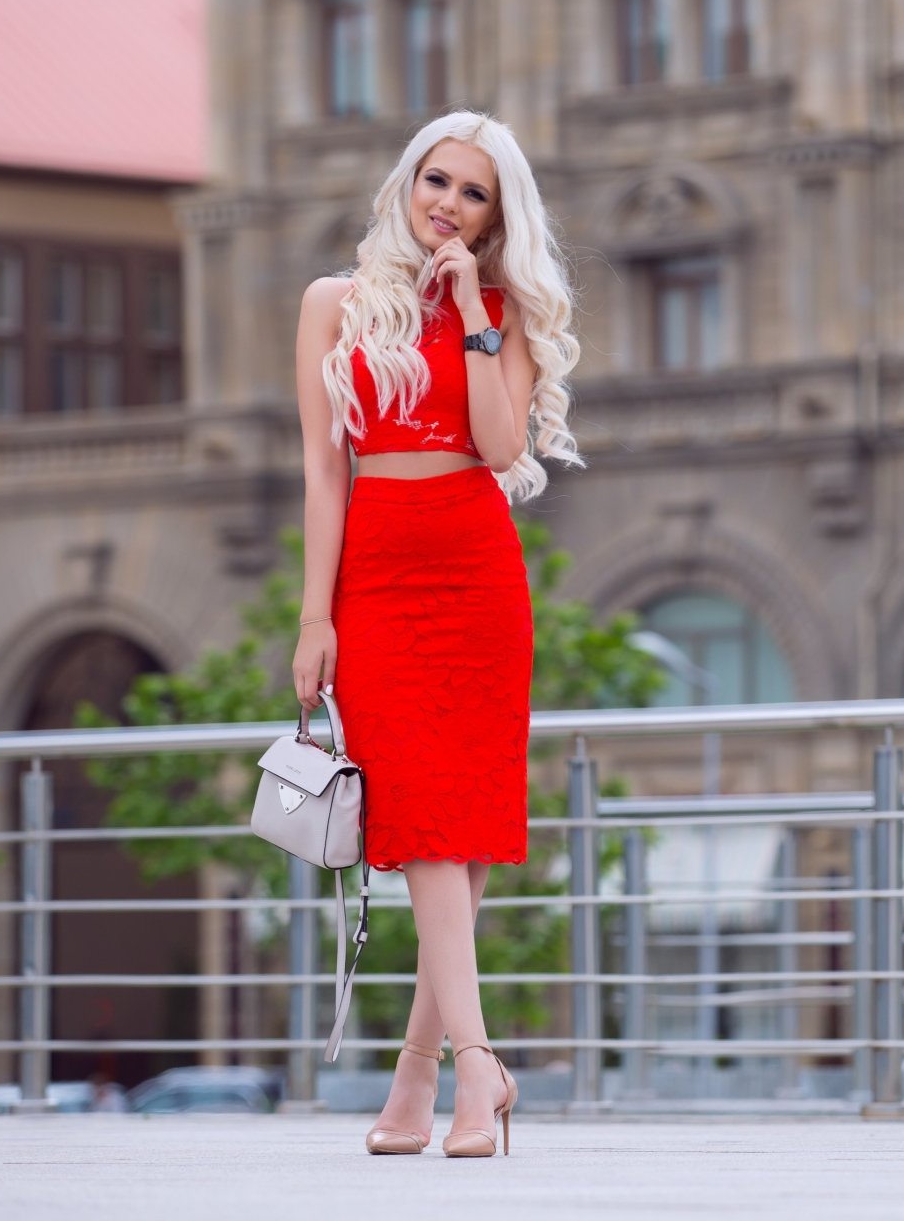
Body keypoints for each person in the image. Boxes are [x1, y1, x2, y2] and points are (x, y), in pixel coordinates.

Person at [290, 109, 583, 1157]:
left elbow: (500, 449)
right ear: (407, 184)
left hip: (476, 576)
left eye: (473, 193)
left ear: (496, 215)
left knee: (456, 835)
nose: (449, 205)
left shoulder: (504, 312)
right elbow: (324, 473)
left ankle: (431, 1081)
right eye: (437, 181)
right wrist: (314, 614)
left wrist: (467, 311)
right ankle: (476, 1068)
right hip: (375, 581)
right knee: (421, 828)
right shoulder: (333, 303)